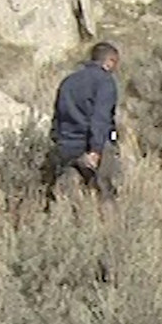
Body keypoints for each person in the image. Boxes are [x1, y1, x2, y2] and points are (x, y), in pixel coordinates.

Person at [50, 41, 122, 203]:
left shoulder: (68, 81)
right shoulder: (104, 81)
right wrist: (96, 150)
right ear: (109, 62)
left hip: (67, 145)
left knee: (72, 196)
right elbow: (100, 118)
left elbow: (58, 115)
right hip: (91, 145)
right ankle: (109, 227)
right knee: (105, 192)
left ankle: (76, 225)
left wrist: (58, 140)